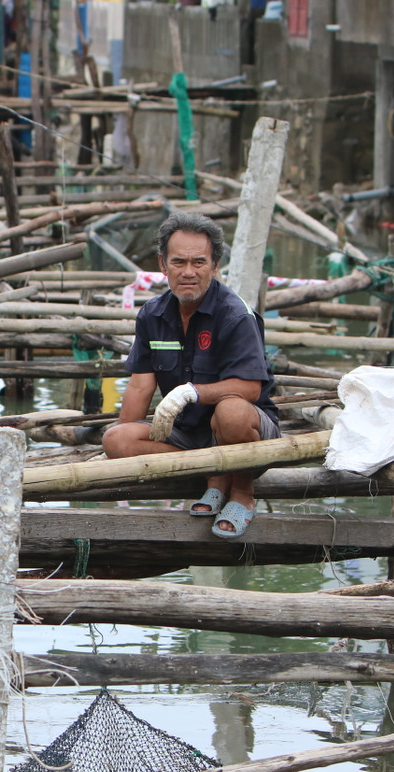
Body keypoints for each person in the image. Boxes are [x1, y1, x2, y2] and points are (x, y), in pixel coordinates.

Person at [101, 211, 280, 539]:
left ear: (215, 266)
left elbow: (251, 388)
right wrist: (116, 457)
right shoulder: (152, 314)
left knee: (231, 410)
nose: (188, 272)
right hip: (187, 435)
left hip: (245, 433)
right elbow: (141, 386)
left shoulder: (235, 315)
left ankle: (241, 493)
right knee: (116, 439)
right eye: (179, 262)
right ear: (162, 264)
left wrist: (191, 392)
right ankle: (213, 474)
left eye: (199, 262)